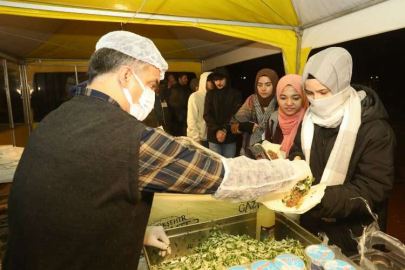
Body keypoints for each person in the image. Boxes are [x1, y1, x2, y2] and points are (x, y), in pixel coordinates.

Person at [4, 30, 309, 270]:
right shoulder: (127, 137)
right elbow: (225, 177)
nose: (153, 94)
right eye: (151, 85)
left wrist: (136, 236)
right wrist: (292, 171)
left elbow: (78, 202)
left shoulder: (57, 118)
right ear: (125, 75)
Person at [289, 47, 395, 256]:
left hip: (354, 234)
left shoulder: (375, 129)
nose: (316, 100)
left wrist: (316, 198)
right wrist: (295, 160)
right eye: (309, 93)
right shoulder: (310, 119)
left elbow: (374, 188)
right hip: (312, 224)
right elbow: (297, 149)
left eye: (323, 92)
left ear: (341, 87)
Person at [230, 69, 279, 158]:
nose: (263, 89)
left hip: (274, 154)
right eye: (260, 85)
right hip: (249, 153)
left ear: (275, 85)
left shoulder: (280, 101)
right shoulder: (251, 101)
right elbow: (233, 127)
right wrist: (242, 126)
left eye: (268, 85)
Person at [204, 67, 242, 158]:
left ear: (226, 79)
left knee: (229, 165)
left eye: (221, 79)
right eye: (216, 80)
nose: (218, 82)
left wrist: (224, 130)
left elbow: (236, 115)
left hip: (230, 136)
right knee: (216, 166)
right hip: (214, 136)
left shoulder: (236, 94)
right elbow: (207, 114)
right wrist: (217, 130)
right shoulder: (210, 94)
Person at [266, 74, 309, 157]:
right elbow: (268, 147)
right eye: (283, 98)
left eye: (295, 98)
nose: (289, 103)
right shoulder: (273, 119)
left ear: (303, 97)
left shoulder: (309, 121)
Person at [187, 72, 213, 148]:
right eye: (209, 81)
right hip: (198, 138)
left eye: (213, 81)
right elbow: (191, 120)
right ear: (203, 81)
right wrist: (196, 139)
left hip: (210, 138)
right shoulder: (195, 96)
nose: (212, 83)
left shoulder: (213, 96)